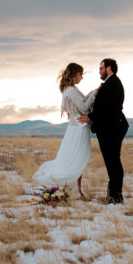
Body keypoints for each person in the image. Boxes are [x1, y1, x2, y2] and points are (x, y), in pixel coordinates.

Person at [32, 63, 97, 197]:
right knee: (77, 159)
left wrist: (91, 94)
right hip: (78, 130)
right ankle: (75, 190)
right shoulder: (71, 91)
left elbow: (80, 105)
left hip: (77, 128)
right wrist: (95, 92)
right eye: (80, 74)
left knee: (77, 159)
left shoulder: (69, 90)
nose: (82, 78)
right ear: (74, 74)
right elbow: (84, 108)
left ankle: (77, 190)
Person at [79, 58, 128, 203]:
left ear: (109, 68)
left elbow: (107, 107)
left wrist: (90, 117)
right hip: (110, 127)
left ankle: (115, 196)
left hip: (112, 128)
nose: (99, 71)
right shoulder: (110, 83)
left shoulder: (113, 83)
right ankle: (114, 195)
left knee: (113, 161)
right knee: (112, 161)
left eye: (101, 68)